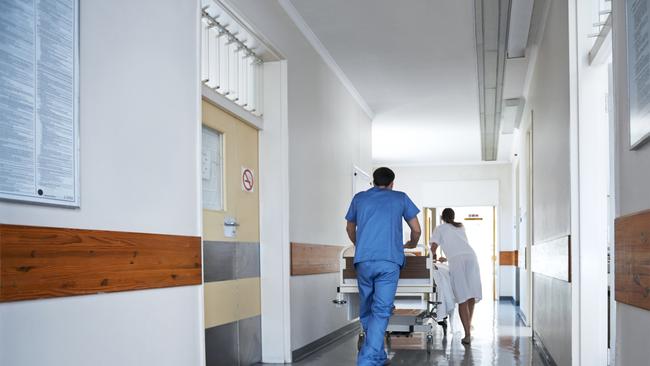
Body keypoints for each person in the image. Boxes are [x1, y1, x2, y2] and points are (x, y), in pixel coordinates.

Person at [345, 167, 421, 366]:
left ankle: (377, 355)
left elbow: (349, 227)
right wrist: (412, 244)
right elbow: (416, 229)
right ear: (392, 183)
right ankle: (367, 360)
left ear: (373, 181)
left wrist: (359, 244)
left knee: (367, 307)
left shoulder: (359, 199)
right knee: (381, 310)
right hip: (389, 261)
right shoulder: (400, 198)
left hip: (363, 260)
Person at [430, 208, 482, 345]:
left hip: (457, 260)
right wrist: (447, 259)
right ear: (453, 216)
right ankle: (468, 327)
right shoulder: (460, 226)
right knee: (471, 295)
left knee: (462, 297)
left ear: (442, 217)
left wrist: (432, 259)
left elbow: (433, 247)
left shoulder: (440, 228)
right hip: (471, 257)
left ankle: (467, 335)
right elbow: (460, 249)